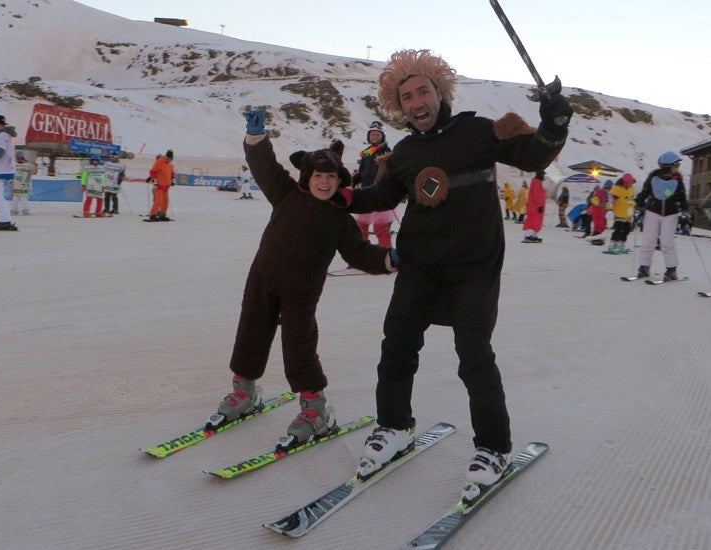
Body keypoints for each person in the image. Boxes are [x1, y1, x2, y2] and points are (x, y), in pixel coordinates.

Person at [346, 49, 572, 499]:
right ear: (399, 106)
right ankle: (394, 427)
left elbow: (533, 156)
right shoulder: (405, 153)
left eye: (422, 91)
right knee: (397, 346)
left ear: (439, 91)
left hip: (474, 266)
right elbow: (378, 196)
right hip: (421, 265)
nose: (416, 102)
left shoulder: (478, 131)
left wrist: (553, 124)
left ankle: (493, 448)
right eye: (406, 96)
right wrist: (339, 195)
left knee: (473, 354)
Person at [209, 109, 397, 448]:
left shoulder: (340, 220)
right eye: (318, 176)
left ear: (341, 181)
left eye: (331, 177)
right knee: (251, 330)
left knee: (299, 345)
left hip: (301, 291)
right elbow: (265, 167)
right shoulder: (285, 193)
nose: (324, 182)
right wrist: (256, 138)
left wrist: (389, 258)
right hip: (263, 278)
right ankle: (244, 392)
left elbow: (359, 254)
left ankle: (315, 411)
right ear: (307, 176)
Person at [634, 151, 688, 280]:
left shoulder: (677, 179)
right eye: (676, 165)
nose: (677, 168)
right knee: (648, 240)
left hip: (670, 214)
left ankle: (671, 269)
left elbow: (682, 196)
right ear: (667, 166)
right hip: (653, 211)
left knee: (667, 242)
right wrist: (639, 204)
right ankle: (644, 267)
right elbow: (645, 191)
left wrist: (685, 210)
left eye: (678, 166)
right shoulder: (653, 177)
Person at [351, 121, 397, 247]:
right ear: (368, 137)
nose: (375, 137)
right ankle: (360, 259)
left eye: (378, 134)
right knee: (360, 229)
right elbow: (361, 173)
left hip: (380, 196)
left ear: (383, 136)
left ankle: (386, 259)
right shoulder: (366, 154)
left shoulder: (387, 153)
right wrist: (352, 180)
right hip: (365, 195)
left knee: (381, 230)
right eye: (372, 134)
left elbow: (393, 174)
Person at [604, 173, 636, 254]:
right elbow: (611, 200)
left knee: (626, 231)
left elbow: (632, 200)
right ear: (623, 182)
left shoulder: (632, 189)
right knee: (618, 230)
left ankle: (621, 245)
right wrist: (610, 209)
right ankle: (612, 246)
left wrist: (633, 210)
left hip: (628, 214)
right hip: (619, 212)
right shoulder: (617, 189)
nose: (628, 185)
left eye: (630, 183)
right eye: (627, 184)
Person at [148, 149, 174, 220]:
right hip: (159, 185)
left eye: (171, 159)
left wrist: (173, 180)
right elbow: (153, 171)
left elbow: (172, 173)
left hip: (166, 185)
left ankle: (163, 214)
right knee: (158, 201)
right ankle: (153, 215)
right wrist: (154, 180)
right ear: (166, 156)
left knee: (165, 201)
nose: (170, 160)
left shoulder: (170, 164)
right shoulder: (160, 161)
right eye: (169, 158)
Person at [522, 170, 546, 242]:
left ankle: (534, 235)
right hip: (535, 207)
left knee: (537, 222)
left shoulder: (538, 181)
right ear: (539, 174)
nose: (543, 176)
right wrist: (539, 205)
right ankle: (528, 236)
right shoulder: (536, 182)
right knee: (532, 221)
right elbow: (536, 195)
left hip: (538, 206)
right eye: (543, 174)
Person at [11, 150, 36, 215]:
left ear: (23, 158)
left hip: (24, 184)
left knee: (24, 197)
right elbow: (11, 173)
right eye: (18, 158)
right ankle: (14, 210)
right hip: (16, 184)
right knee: (15, 197)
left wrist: (27, 181)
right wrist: (11, 182)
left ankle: (25, 210)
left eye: (21, 158)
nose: (19, 159)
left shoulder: (27, 165)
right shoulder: (14, 165)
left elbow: (31, 173)